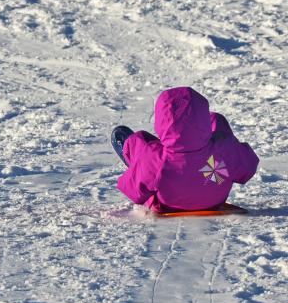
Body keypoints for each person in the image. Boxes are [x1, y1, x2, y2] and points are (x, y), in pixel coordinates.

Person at [111, 87, 259, 213]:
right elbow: (249, 166)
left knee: (139, 142)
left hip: (170, 205)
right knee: (217, 120)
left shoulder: (155, 160)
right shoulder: (225, 150)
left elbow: (132, 190)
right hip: (213, 199)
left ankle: (129, 151)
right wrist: (226, 142)